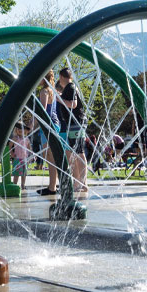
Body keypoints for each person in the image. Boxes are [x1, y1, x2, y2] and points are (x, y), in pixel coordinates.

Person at [40, 67, 88, 196]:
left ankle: (82, 183)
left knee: (79, 152)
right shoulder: (69, 88)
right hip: (71, 124)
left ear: (61, 77)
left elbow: (73, 104)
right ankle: (78, 183)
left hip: (76, 123)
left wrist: (58, 98)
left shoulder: (71, 87)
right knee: (73, 152)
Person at [36, 70, 60, 192]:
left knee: (50, 157)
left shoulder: (44, 91)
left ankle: (52, 187)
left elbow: (43, 111)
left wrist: (32, 124)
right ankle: (53, 186)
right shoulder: (52, 91)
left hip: (48, 126)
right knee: (52, 157)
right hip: (55, 125)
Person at [11, 122, 29, 191]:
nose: (20, 130)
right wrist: (11, 152)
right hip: (17, 158)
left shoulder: (26, 138)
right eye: (18, 128)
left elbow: (29, 147)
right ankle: (14, 184)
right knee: (17, 173)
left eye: (21, 129)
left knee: (24, 173)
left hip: (25, 159)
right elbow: (10, 145)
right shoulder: (15, 138)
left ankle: (23, 185)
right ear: (15, 130)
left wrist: (32, 154)